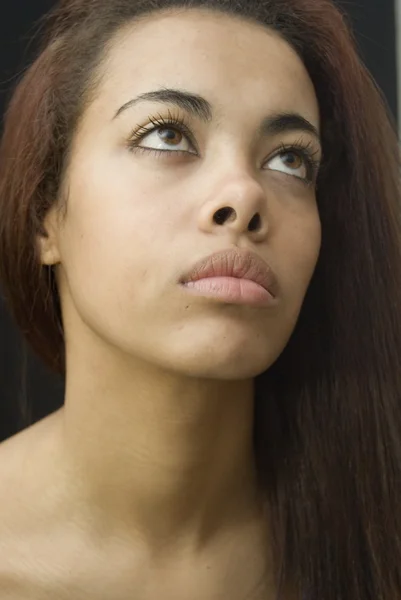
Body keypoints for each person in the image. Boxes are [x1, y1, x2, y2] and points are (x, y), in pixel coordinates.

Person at [0, 0, 400, 598]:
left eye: (290, 158)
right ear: (44, 217)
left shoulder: (376, 539)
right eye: (167, 134)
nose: (243, 193)